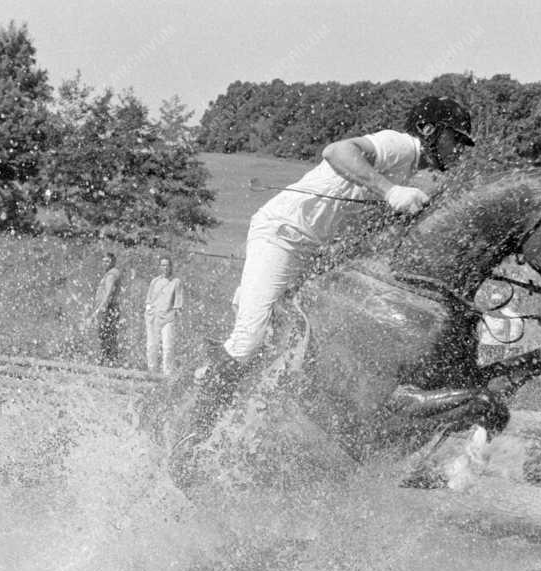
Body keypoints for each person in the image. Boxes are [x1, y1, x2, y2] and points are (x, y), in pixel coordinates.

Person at [199, 96, 475, 412]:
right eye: (456, 139)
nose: (459, 150)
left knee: (285, 347)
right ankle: (193, 428)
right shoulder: (399, 145)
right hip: (282, 237)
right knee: (248, 341)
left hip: (310, 254)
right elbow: (336, 151)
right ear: (428, 130)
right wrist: (390, 192)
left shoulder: (409, 170)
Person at [145, 255, 184, 376]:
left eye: (167, 265)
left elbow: (178, 302)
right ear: (159, 267)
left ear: (171, 267)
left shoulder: (176, 282)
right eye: (162, 265)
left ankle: (167, 372)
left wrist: (178, 314)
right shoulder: (154, 281)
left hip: (168, 317)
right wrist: (148, 310)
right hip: (153, 316)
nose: (165, 267)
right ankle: (151, 370)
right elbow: (148, 299)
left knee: (167, 347)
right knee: (152, 345)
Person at [88, 252, 122, 365]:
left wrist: (99, 310)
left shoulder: (111, 275)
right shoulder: (110, 274)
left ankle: (107, 360)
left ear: (113, 262)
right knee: (108, 334)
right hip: (110, 308)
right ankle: (109, 360)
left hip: (108, 308)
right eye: (103, 261)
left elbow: (108, 294)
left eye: (107, 261)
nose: (105, 263)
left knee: (106, 334)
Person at [478, 290, 524, 364]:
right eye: (494, 301)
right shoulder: (484, 316)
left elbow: (507, 337)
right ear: (490, 302)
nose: (496, 304)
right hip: (485, 347)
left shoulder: (505, 319)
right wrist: (479, 348)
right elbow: (479, 333)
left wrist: (507, 350)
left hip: (498, 348)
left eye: (498, 302)